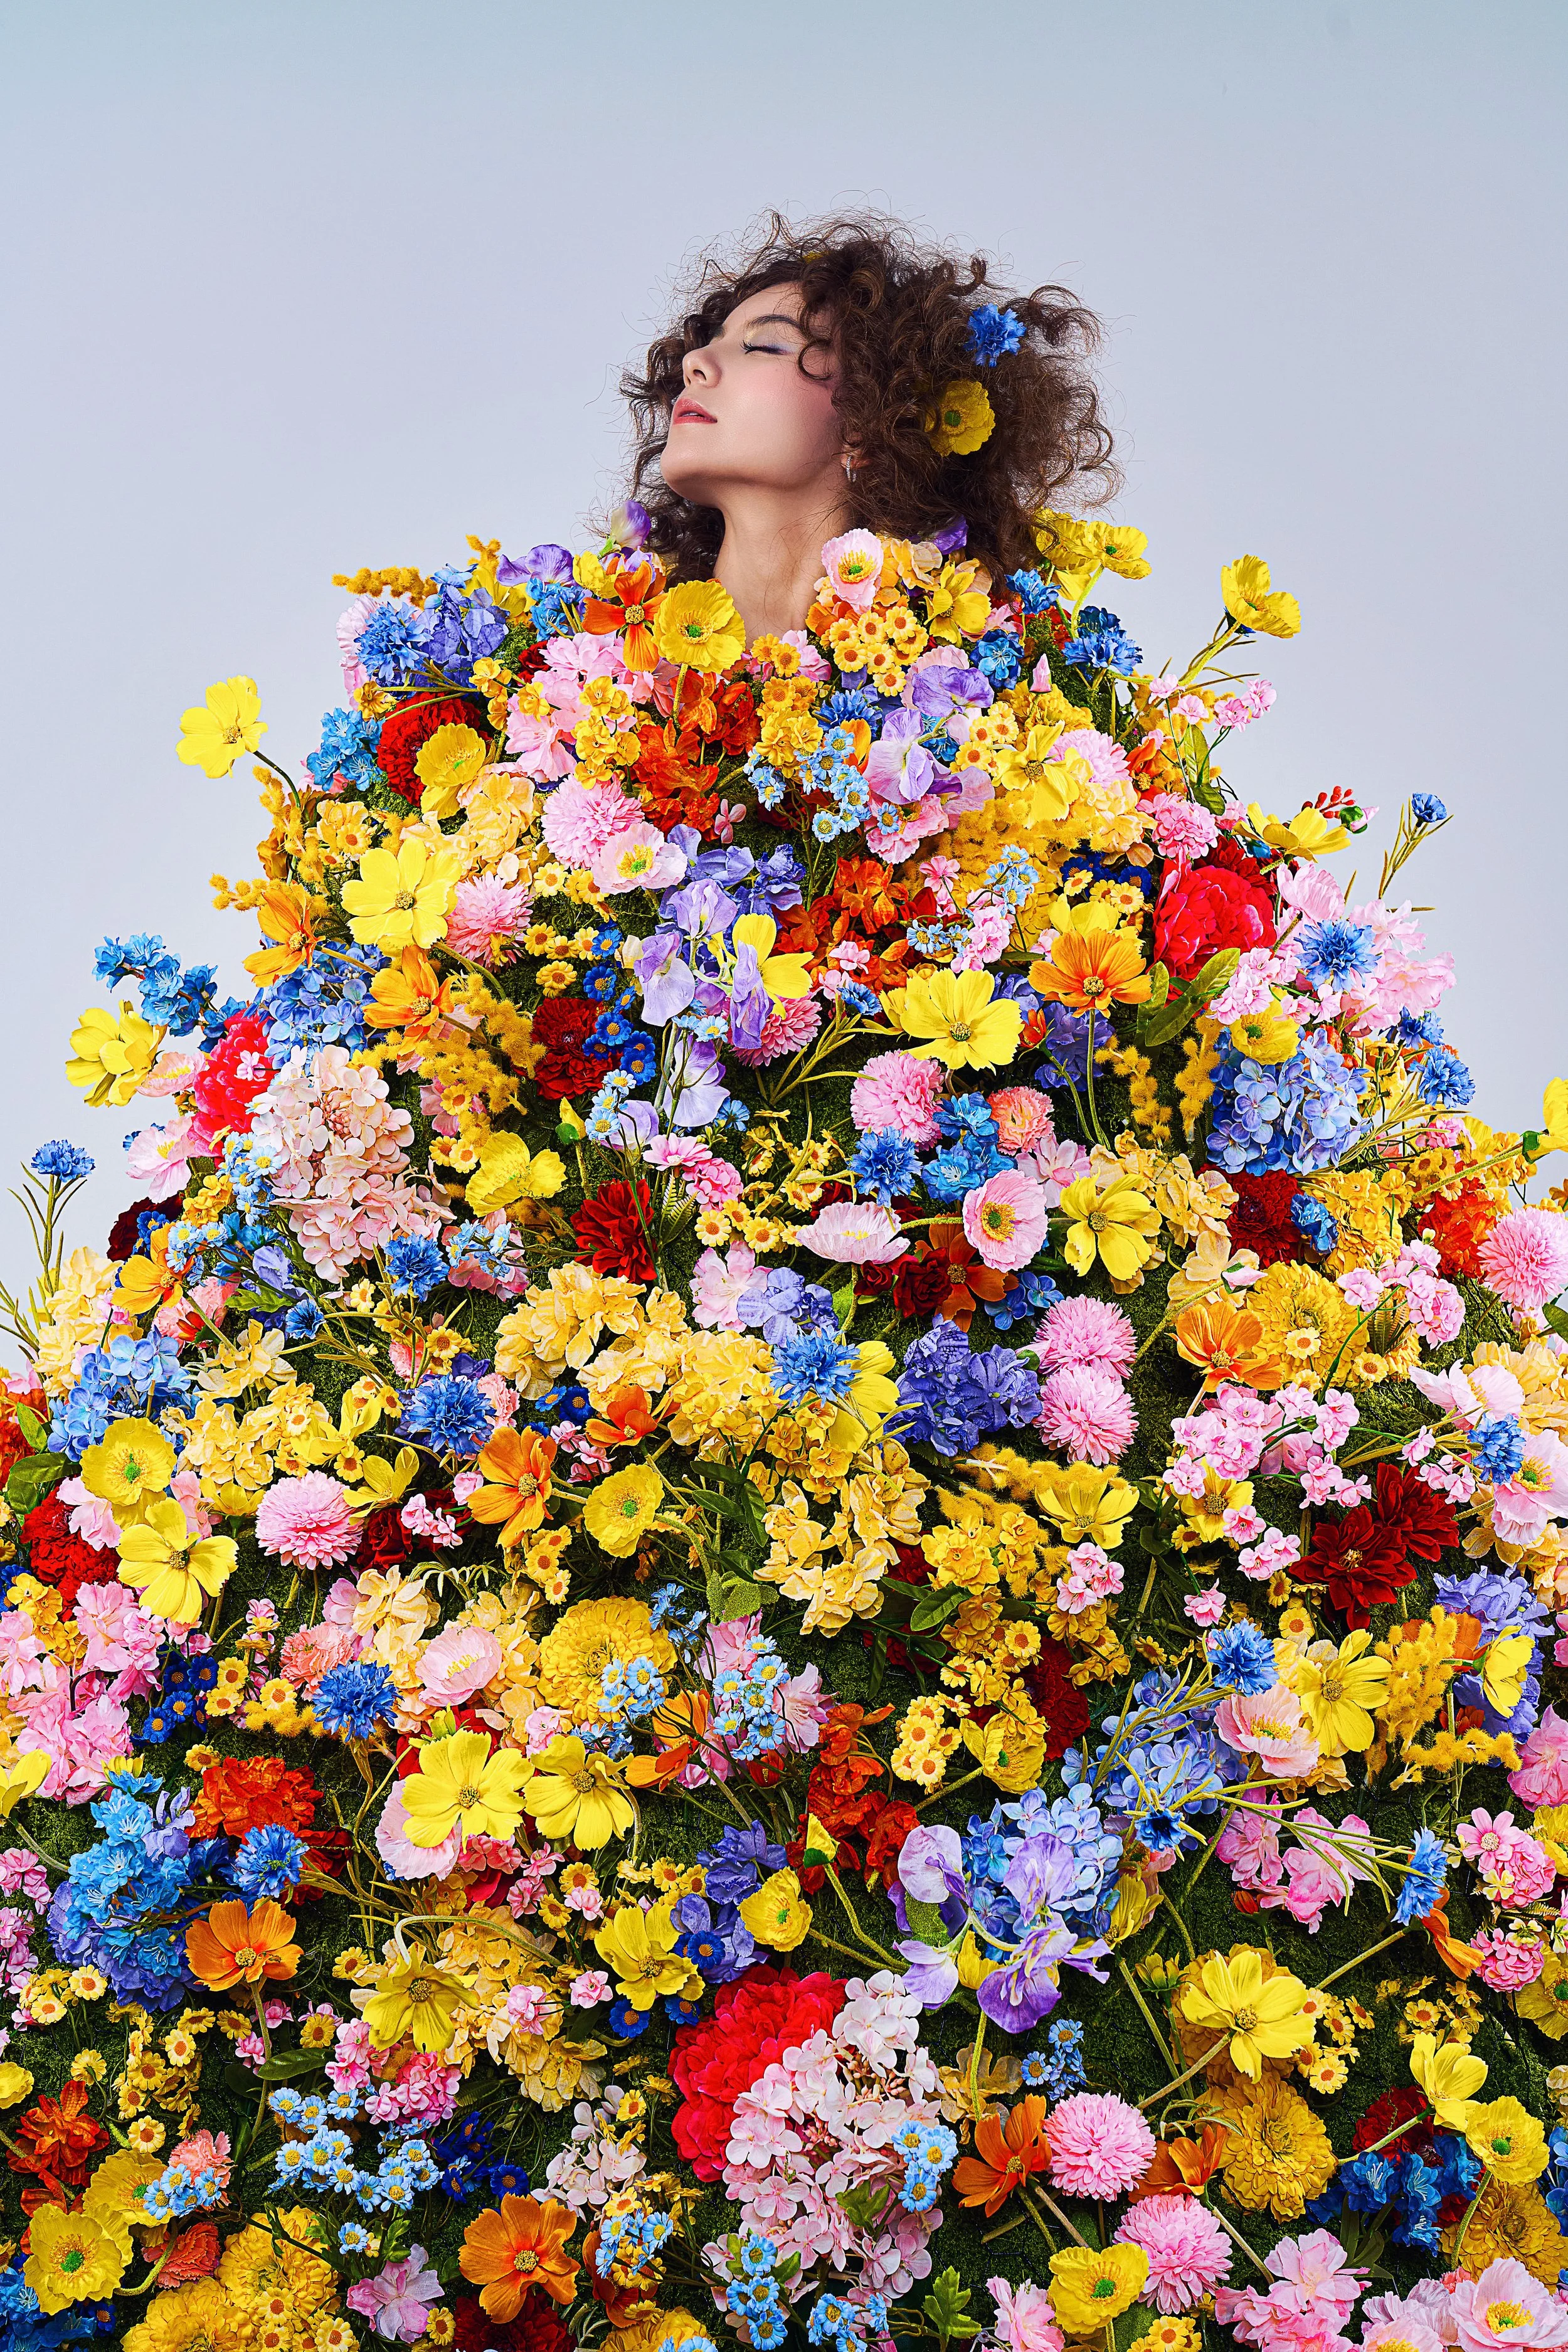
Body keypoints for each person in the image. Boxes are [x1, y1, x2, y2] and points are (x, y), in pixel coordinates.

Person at [621, 212, 1118, 642]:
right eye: (709, 342)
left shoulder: (974, 696)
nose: (694, 363)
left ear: (867, 423)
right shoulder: (593, 672)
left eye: (764, 346)